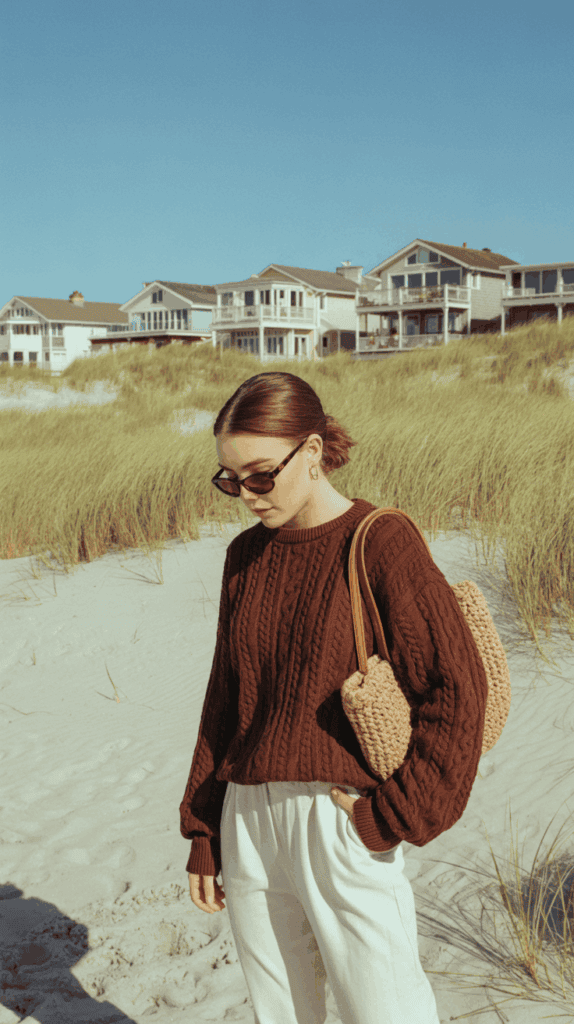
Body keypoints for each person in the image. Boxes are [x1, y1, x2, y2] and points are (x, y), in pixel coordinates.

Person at [179, 370, 488, 1024]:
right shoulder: (244, 556)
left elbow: (457, 687)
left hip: (340, 817)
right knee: (281, 1014)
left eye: (261, 474)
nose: (245, 495)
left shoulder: (380, 541)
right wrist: (205, 829)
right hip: (248, 819)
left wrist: (398, 814)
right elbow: (225, 702)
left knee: (386, 1012)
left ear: (313, 452)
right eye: (230, 479)